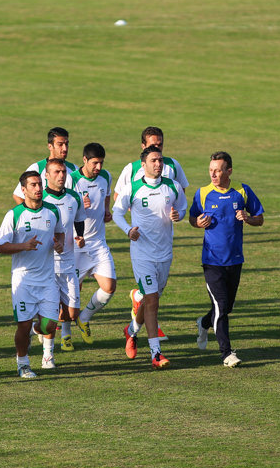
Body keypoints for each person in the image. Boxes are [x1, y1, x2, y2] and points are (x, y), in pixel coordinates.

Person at [113, 146, 186, 368]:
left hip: (165, 253)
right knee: (152, 300)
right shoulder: (132, 188)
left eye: (160, 160)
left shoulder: (172, 186)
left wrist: (178, 215)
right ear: (143, 165)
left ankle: (132, 330)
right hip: (142, 254)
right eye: (154, 160)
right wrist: (128, 230)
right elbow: (116, 212)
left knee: (151, 299)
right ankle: (156, 354)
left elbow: (183, 208)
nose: (158, 164)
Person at [189, 151, 264, 368]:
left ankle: (203, 323)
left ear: (229, 171)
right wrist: (198, 223)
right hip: (212, 261)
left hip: (235, 260)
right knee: (221, 306)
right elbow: (193, 218)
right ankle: (226, 353)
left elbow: (260, 218)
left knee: (225, 307)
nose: (213, 174)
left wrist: (248, 218)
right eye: (211, 170)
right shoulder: (203, 193)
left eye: (218, 170)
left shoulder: (242, 191)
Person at [0, 170, 65, 379]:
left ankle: (37, 332)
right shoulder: (14, 215)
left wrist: (59, 243)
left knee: (50, 325)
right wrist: (24, 246)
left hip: (47, 280)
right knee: (23, 326)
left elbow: (59, 231)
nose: (38, 189)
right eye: (33, 185)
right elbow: (0, 246)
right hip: (23, 280)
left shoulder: (52, 211)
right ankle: (23, 363)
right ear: (23, 190)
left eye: (39, 185)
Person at [69, 143, 116, 347]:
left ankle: (85, 318)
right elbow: (62, 207)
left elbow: (106, 196)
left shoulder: (105, 176)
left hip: (98, 243)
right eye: (95, 163)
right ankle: (64, 335)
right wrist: (79, 204)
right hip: (76, 244)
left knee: (109, 287)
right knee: (71, 299)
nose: (98, 167)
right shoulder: (72, 179)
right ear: (84, 160)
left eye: (101, 163)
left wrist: (106, 211)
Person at [39, 158, 85, 366]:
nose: (61, 176)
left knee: (71, 313)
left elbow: (78, 220)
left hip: (68, 264)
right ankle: (47, 356)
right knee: (51, 312)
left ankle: (36, 328)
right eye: (56, 172)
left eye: (63, 172)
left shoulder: (74, 197)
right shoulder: (40, 200)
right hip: (48, 266)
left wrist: (80, 236)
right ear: (46, 176)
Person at [11, 127, 77, 204]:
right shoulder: (37, 168)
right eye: (60, 144)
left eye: (66, 144)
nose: (65, 148)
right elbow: (18, 196)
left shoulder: (74, 169)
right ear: (50, 146)